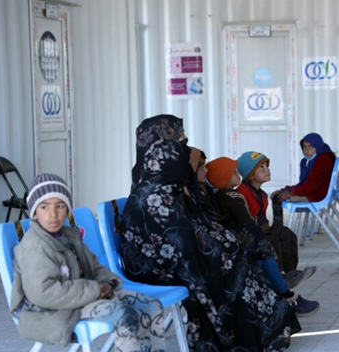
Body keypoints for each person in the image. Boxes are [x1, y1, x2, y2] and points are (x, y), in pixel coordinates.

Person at [118, 115, 293, 351]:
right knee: (231, 262)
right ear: (159, 152)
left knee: (239, 252)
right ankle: (247, 334)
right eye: (178, 144)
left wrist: (219, 243)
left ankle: (267, 320)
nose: (184, 151)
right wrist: (215, 248)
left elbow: (197, 226)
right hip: (159, 267)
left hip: (183, 258)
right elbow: (170, 242)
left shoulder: (172, 187)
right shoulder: (152, 195)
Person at [11, 173, 166, 351]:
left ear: (67, 209)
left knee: (152, 305)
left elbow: (94, 266)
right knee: (125, 316)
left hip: (85, 298)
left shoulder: (70, 235)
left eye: (60, 206)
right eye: (44, 207)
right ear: (34, 212)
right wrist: (95, 290)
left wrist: (107, 282)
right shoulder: (36, 247)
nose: (53, 214)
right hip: (54, 311)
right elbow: (44, 293)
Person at [205, 156, 320, 317]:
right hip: (243, 241)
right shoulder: (234, 196)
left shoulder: (239, 194)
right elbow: (247, 223)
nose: (237, 173)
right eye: (233, 172)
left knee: (284, 234)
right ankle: (284, 289)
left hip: (244, 238)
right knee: (268, 244)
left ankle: (288, 276)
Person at [236, 151, 317, 288]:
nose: (267, 170)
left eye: (267, 166)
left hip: (262, 229)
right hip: (249, 234)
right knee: (272, 240)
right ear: (250, 174)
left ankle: (290, 273)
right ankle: (277, 278)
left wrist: (276, 204)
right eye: (261, 167)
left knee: (286, 234)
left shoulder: (261, 194)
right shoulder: (243, 192)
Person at [270, 133, 336, 225]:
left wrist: (290, 193)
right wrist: (285, 190)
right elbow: (305, 183)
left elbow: (310, 185)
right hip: (318, 192)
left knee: (277, 198)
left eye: (310, 147)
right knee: (280, 194)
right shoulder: (318, 158)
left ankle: (277, 229)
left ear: (318, 146)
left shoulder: (322, 160)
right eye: (304, 147)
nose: (307, 150)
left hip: (317, 195)